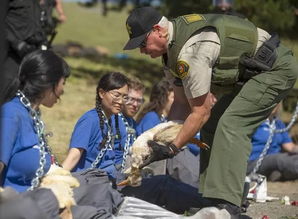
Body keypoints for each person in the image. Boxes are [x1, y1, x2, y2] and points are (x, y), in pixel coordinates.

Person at [123, 6, 298, 216]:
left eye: (143, 43)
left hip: (276, 69)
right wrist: (160, 137)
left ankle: (229, 204)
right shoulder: (171, 54)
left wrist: (172, 148)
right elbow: (180, 105)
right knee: (212, 125)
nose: (141, 51)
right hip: (252, 73)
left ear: (158, 30)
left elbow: (200, 112)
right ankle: (211, 198)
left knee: (231, 124)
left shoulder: (191, 52)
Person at [62, 72, 129, 180]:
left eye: (125, 97)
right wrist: (57, 178)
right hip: (91, 181)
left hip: (110, 178)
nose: (121, 101)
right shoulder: (90, 120)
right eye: (116, 95)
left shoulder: (115, 120)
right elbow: (74, 155)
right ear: (102, 93)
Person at [136, 78, 201, 188]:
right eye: (174, 97)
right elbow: (153, 145)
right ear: (163, 99)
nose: (180, 101)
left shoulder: (167, 120)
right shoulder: (151, 117)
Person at [247, 103, 298, 181]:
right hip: (254, 162)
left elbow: (290, 147)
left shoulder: (279, 123)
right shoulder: (253, 122)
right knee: (279, 159)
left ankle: (275, 174)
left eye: (276, 102)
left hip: (274, 161)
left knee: (289, 158)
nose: (274, 105)